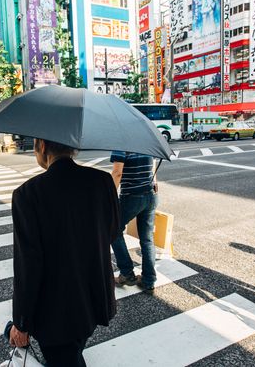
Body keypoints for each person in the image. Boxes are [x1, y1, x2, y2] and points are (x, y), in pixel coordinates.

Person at [8, 138, 120, 366]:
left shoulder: (27, 194)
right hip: (93, 297)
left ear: (42, 145)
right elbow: (113, 231)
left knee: (64, 358)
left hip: (54, 312)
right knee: (71, 354)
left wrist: (21, 322)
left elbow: (28, 266)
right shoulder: (102, 181)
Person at [110, 151, 159, 294]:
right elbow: (153, 164)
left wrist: (109, 196)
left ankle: (127, 273)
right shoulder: (146, 141)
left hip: (131, 197)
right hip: (151, 195)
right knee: (147, 239)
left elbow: (117, 173)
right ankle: (149, 281)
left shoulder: (121, 141)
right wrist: (155, 181)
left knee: (113, 229)